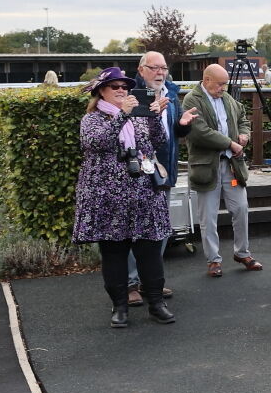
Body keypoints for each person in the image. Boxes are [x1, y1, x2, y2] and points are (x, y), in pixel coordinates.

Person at [72, 68, 192, 327]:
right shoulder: (92, 119)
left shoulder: (139, 116)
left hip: (143, 196)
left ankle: (157, 304)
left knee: (149, 252)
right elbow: (96, 143)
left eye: (124, 86)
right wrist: (122, 115)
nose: (121, 90)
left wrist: (155, 117)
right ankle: (120, 307)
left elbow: (157, 142)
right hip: (108, 201)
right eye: (114, 86)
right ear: (101, 91)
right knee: (114, 254)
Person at [183, 64, 263, 277]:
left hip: (231, 167)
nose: (223, 88)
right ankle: (213, 260)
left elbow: (243, 117)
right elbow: (199, 132)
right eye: (220, 84)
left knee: (241, 209)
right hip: (207, 167)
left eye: (225, 83)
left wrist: (244, 134)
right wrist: (231, 144)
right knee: (208, 217)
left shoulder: (227, 98)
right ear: (206, 80)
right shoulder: (191, 99)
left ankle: (242, 253)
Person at [124, 52, 189, 305]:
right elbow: (128, 130)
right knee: (135, 230)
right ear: (141, 70)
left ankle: (150, 280)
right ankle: (130, 283)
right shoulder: (131, 94)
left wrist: (184, 124)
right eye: (154, 68)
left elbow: (175, 131)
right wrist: (150, 113)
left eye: (163, 68)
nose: (160, 72)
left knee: (161, 229)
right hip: (138, 173)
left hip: (165, 171)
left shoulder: (171, 92)